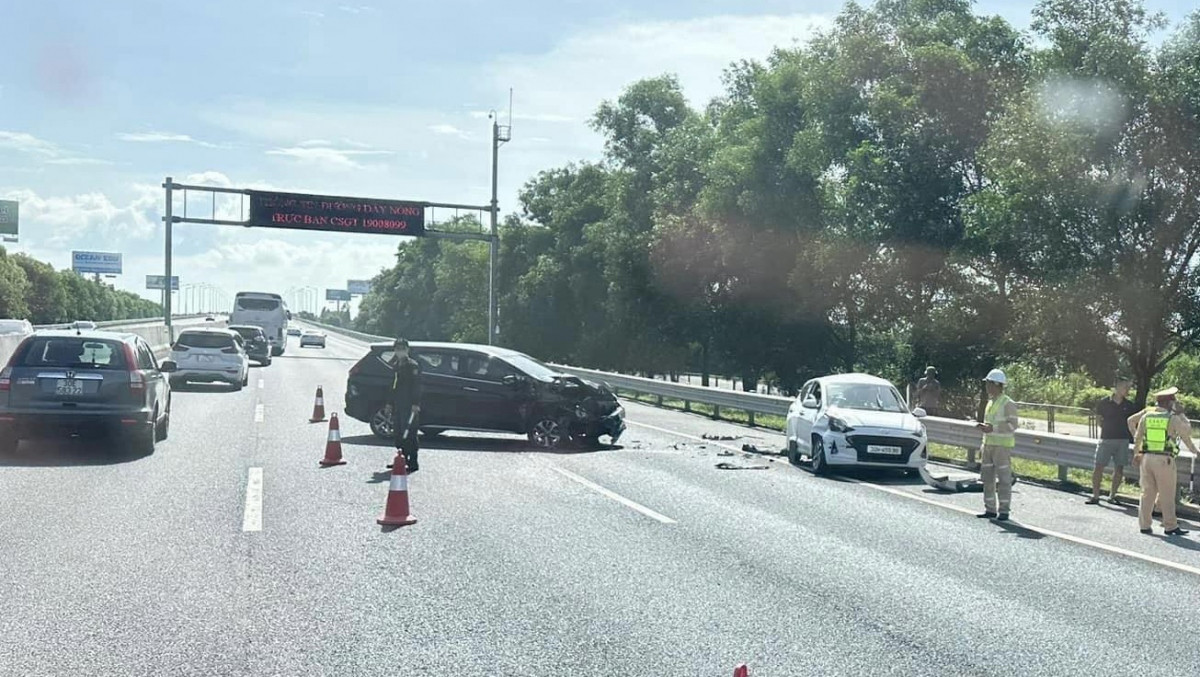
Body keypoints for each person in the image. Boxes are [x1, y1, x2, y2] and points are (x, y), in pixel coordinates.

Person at [1128, 387, 1197, 536]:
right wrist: (1182, 414)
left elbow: (1138, 437)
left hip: (1146, 459)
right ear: (1170, 402)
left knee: (1147, 493)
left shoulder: (1147, 416)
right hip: (1164, 460)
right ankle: (1170, 526)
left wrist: (1137, 454)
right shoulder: (1172, 418)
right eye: (1174, 400)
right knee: (1167, 494)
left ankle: (1145, 525)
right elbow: (1186, 433)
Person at [1087, 377, 1138, 504]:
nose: (1128, 390)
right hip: (1106, 439)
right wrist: (1106, 429)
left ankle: (1112, 496)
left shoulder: (1129, 405)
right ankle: (1095, 496)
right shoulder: (1104, 403)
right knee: (1098, 466)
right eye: (1125, 387)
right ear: (1117, 388)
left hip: (1123, 440)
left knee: (1119, 468)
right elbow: (1099, 419)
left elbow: (1133, 423)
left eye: (1129, 387)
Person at [976, 369, 1019, 521]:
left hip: (1002, 447)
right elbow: (990, 424)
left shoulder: (1008, 403)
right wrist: (983, 442)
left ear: (996, 384)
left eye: (988, 384)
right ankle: (990, 509)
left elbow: (1013, 425)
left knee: (1004, 479)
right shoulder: (990, 403)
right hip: (988, 445)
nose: (986, 387)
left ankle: (1004, 511)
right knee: (987, 479)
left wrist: (993, 428)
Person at [389, 338, 423, 472]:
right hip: (398, 404)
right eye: (397, 349)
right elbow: (392, 386)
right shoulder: (396, 365)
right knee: (398, 433)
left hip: (409, 405)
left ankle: (413, 461)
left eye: (402, 349)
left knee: (410, 433)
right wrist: (389, 403)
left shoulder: (412, 366)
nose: (400, 351)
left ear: (407, 350)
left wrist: (416, 403)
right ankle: (401, 459)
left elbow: (417, 386)